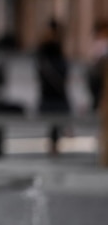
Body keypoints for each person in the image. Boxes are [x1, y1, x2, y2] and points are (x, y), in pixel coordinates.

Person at [35, 19, 70, 154]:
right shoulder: (45, 46)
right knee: (54, 112)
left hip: (55, 88)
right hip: (50, 88)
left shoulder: (56, 45)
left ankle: (56, 140)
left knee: (58, 113)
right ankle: (55, 139)